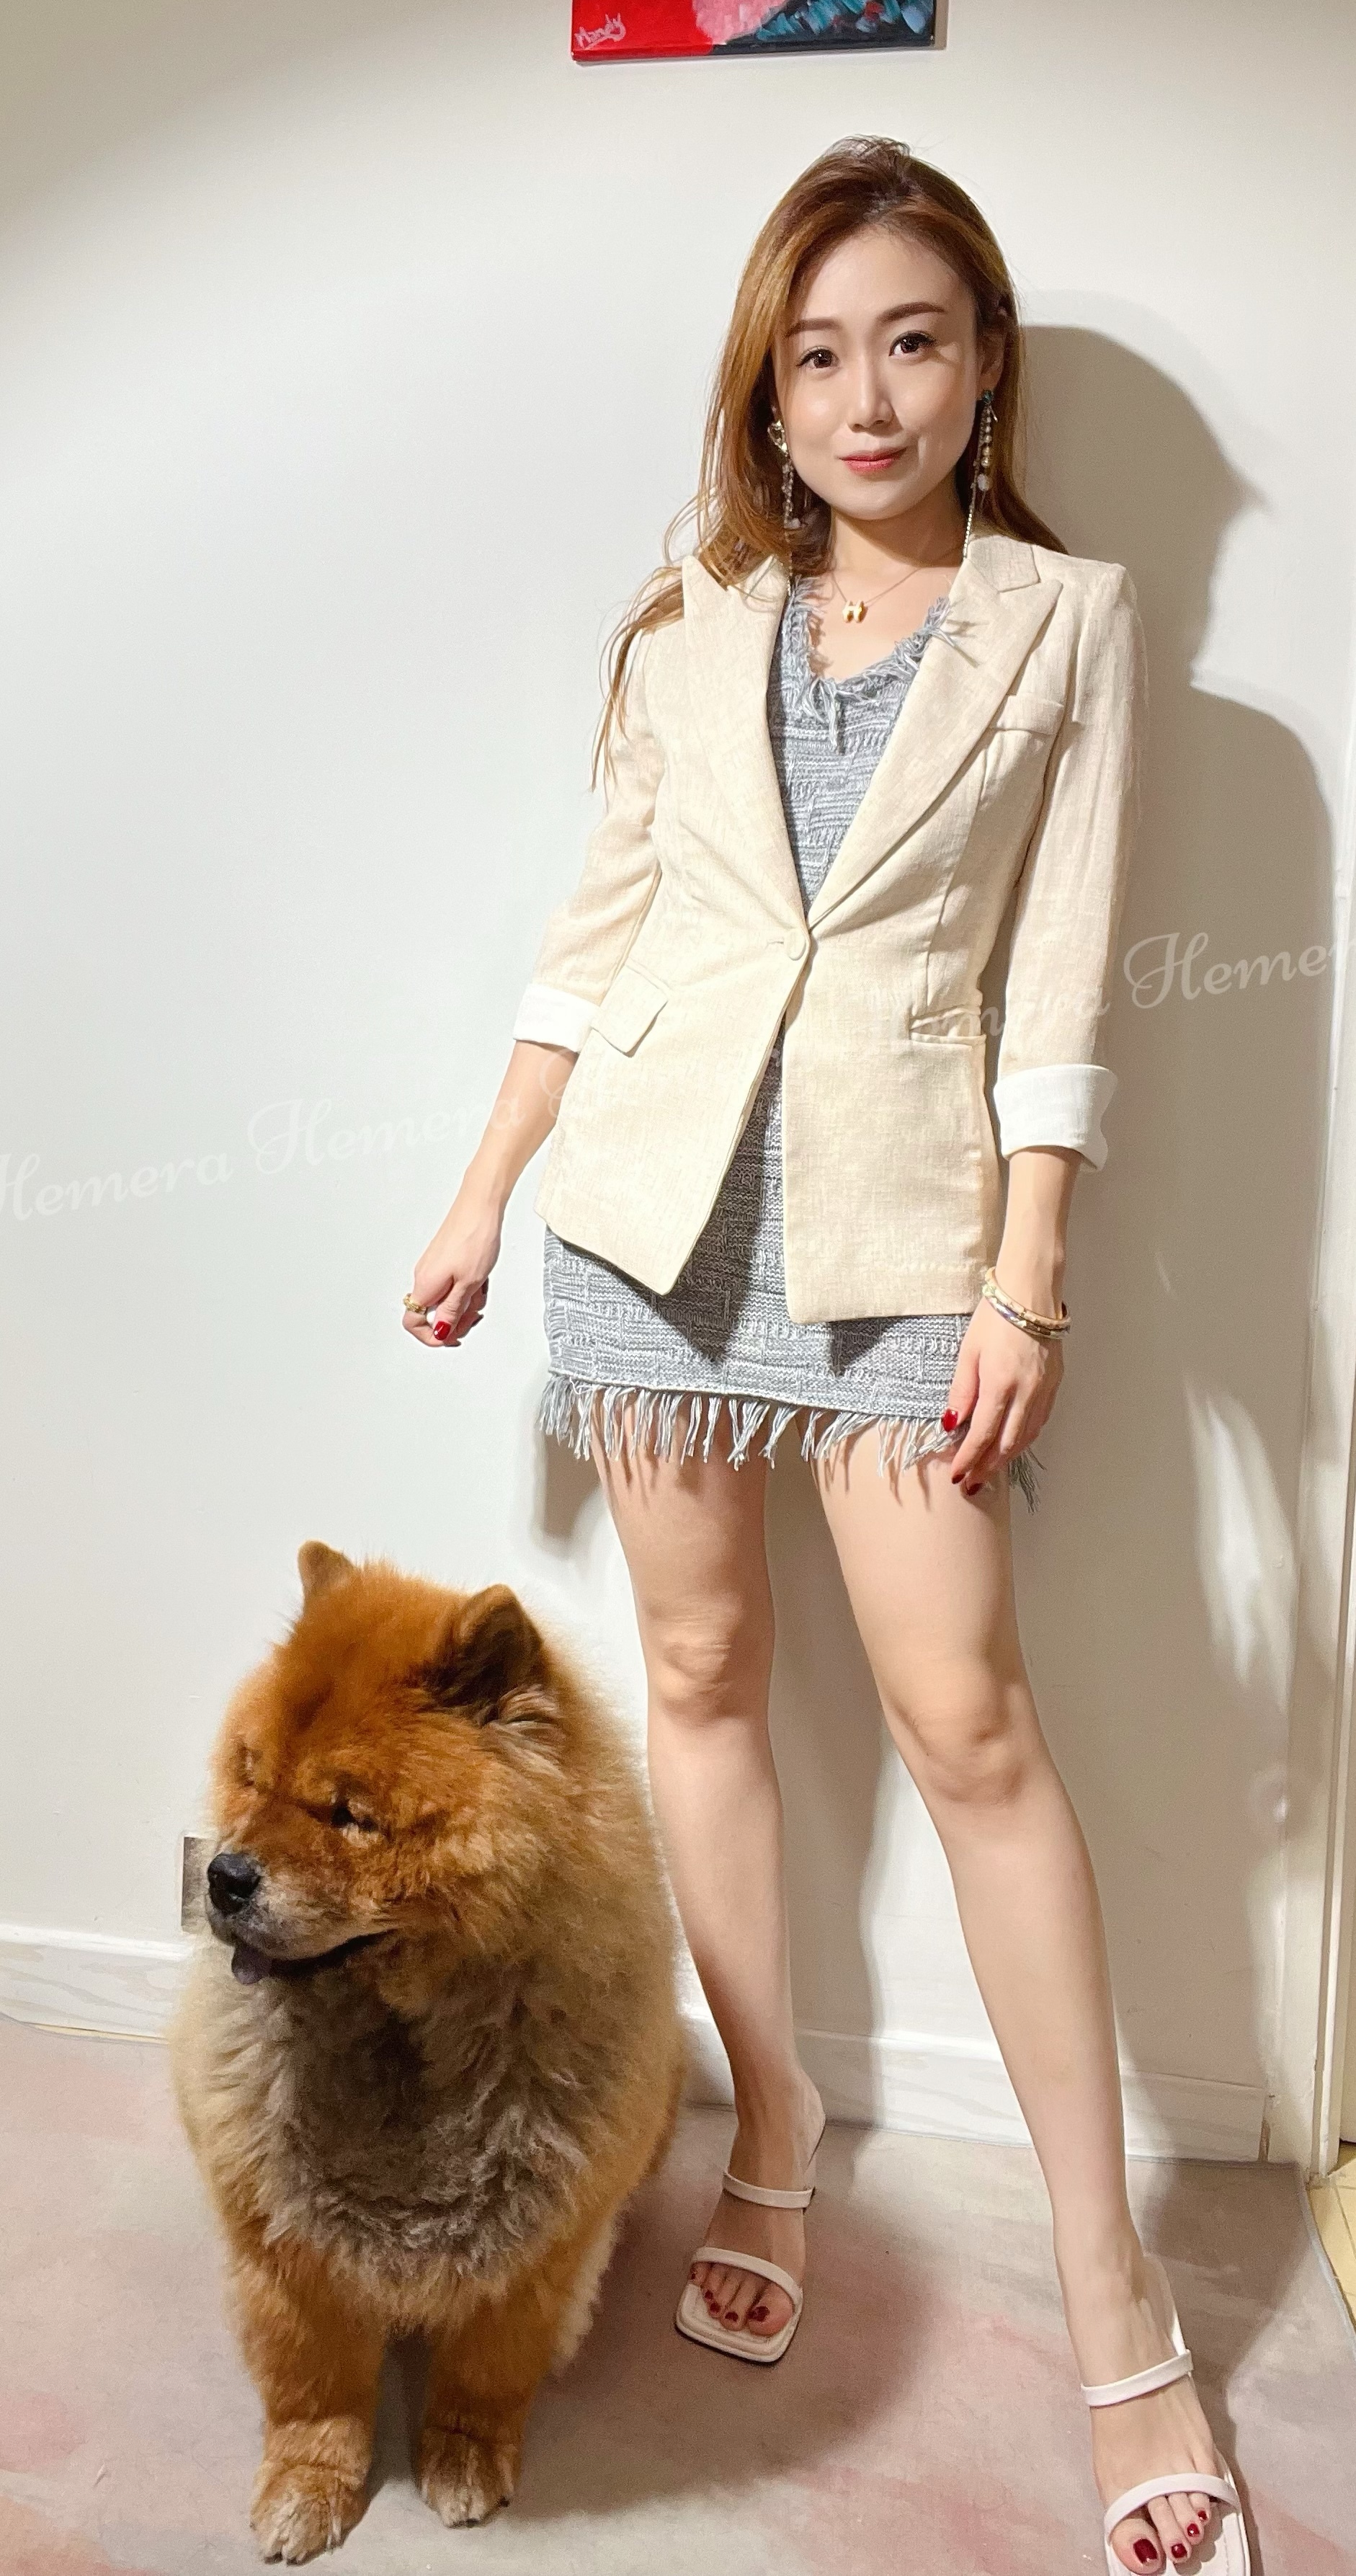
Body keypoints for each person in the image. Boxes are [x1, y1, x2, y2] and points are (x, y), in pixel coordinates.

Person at [403, 136, 1246, 2576]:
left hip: (902, 1247)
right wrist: (480, 1194)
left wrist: (1026, 1279)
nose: (863, 396)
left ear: (979, 371)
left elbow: (1058, 979)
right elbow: (594, 942)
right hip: (650, 1225)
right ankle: (769, 2136)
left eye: (909, 342)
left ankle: (1113, 2309)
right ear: (765, 398)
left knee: (966, 1728)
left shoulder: (1064, 624)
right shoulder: (685, 625)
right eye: (815, 355)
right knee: (695, 1671)